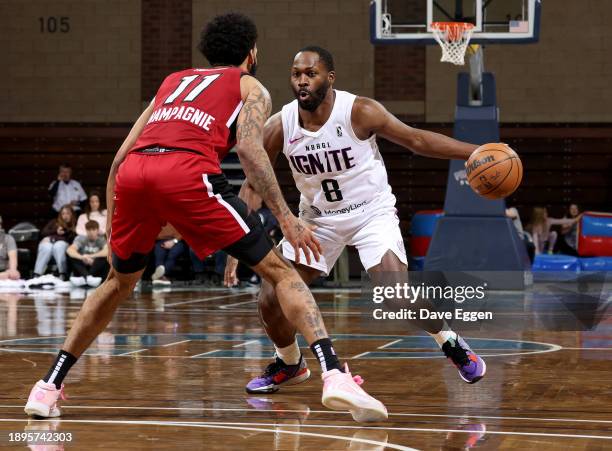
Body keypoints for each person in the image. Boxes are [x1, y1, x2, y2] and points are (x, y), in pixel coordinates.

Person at [25, 14, 386, 423]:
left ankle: (47, 386)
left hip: (134, 175)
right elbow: (250, 151)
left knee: (117, 283)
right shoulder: (250, 86)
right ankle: (335, 374)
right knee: (281, 273)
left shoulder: (171, 82)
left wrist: (114, 220)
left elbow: (121, 157)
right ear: (252, 52)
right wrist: (286, 217)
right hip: (187, 172)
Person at [225, 46, 487, 394]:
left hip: (370, 213)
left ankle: (449, 340)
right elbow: (254, 182)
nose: (302, 81)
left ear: (329, 78)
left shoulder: (359, 111)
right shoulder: (281, 125)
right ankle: (289, 363)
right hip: (318, 222)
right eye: (296, 74)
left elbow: (417, 139)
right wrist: (237, 247)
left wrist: (477, 151)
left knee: (395, 294)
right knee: (271, 296)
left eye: (311, 73)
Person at [33, 205, 76, 279]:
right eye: (63, 213)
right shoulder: (54, 222)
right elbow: (43, 232)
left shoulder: (74, 225)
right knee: (46, 247)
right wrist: (55, 231)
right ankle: (37, 274)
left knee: (58, 245)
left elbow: (71, 238)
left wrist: (53, 238)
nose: (65, 216)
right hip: (49, 243)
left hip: (62, 244)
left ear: (72, 214)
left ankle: (62, 273)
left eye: (68, 213)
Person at [66, 220, 109, 287]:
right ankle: (88, 277)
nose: (91, 232)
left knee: (105, 258)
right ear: (86, 230)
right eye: (89, 230)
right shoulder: (81, 239)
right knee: (72, 257)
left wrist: (91, 256)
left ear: (97, 230)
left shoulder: (101, 240)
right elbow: (70, 250)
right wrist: (82, 257)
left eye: (93, 230)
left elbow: (107, 251)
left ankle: (85, 278)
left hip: (95, 266)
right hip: (83, 266)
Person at [0, 215, 20, 280]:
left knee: (16, 274)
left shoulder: (8, 238)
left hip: (4, 271)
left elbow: (13, 258)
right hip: (2, 274)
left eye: (0, 223)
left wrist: (12, 271)